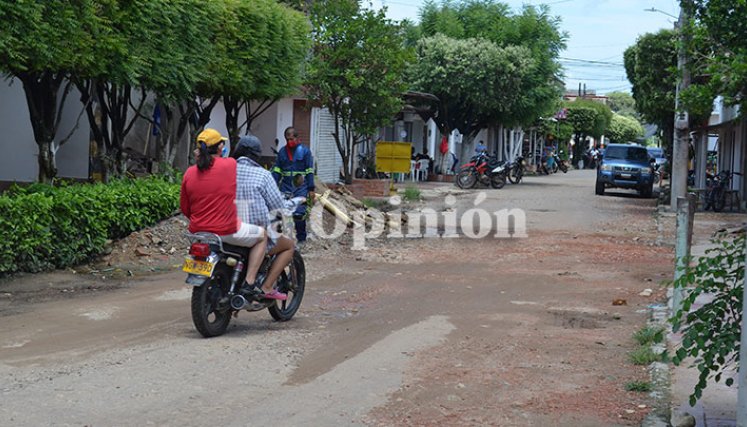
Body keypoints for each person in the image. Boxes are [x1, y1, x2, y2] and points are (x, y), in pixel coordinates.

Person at [180, 128, 271, 298]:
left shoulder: (189, 172)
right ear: (220, 147)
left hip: (199, 232)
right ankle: (250, 282)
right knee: (262, 236)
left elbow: (185, 207)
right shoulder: (229, 164)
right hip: (227, 231)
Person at [233, 135, 298, 301]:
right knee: (289, 245)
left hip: (226, 228)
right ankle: (267, 287)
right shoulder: (263, 175)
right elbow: (278, 206)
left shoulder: (226, 171)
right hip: (251, 233)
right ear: (257, 155)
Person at [272, 127, 315, 245]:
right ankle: (280, 239)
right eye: (287, 139)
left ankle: (301, 239)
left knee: (299, 213)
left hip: (300, 187)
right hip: (285, 186)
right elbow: (277, 170)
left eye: (291, 139)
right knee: (280, 212)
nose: (289, 141)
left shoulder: (305, 151)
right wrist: (273, 185)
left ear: (297, 138)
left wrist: (311, 189)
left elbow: (309, 170)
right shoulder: (282, 152)